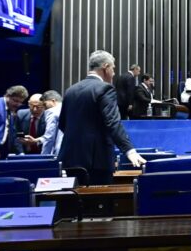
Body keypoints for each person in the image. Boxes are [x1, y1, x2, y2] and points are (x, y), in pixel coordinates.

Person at [58, 50, 145, 185]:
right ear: (105, 67)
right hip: (96, 161)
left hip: (70, 158)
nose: (114, 73)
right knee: (98, 203)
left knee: (71, 202)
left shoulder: (71, 90)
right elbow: (113, 123)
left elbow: (63, 124)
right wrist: (129, 150)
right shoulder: (105, 89)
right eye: (113, 68)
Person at [25, 90, 63, 155]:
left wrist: (44, 157)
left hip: (58, 152)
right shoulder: (68, 108)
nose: (44, 108)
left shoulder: (52, 112)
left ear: (53, 101)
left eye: (45, 104)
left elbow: (49, 138)